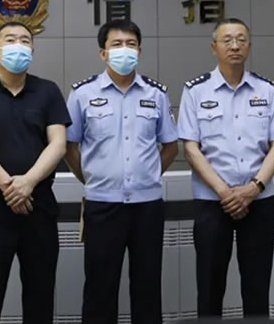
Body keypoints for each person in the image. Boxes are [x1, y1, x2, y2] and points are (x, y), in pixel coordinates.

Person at [0, 21, 71, 324]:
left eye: (25, 40)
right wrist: (11, 187)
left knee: (40, 293)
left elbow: (58, 144)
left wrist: (28, 183)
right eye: (10, 40)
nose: (18, 45)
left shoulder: (48, 91)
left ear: (32, 50)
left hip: (39, 203)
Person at [64, 19, 178, 324]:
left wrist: (148, 175)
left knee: (147, 286)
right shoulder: (82, 93)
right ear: (103, 53)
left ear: (139, 51)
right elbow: (69, 147)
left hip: (147, 206)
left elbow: (170, 147)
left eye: (131, 44)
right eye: (116, 44)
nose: (124, 50)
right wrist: (92, 179)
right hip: (102, 205)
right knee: (100, 287)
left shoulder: (156, 94)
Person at [177, 17, 274, 318]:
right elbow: (190, 149)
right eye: (227, 40)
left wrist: (253, 188)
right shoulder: (195, 91)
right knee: (210, 285)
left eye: (241, 39)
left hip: (259, 201)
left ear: (249, 47)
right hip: (213, 203)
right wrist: (226, 193)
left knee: (257, 285)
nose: (235, 45)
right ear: (214, 47)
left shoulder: (266, 90)